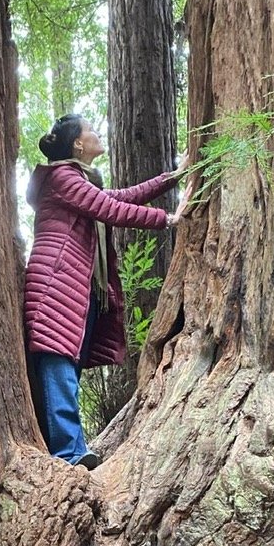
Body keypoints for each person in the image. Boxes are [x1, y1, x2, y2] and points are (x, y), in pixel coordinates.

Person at [24, 113, 191, 468]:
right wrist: (167, 219)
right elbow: (110, 208)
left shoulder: (77, 182)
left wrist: (174, 177)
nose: (96, 133)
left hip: (71, 285)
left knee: (66, 366)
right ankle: (68, 453)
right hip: (54, 282)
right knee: (59, 364)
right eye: (90, 130)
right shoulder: (62, 177)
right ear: (77, 143)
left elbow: (121, 196)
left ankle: (71, 449)